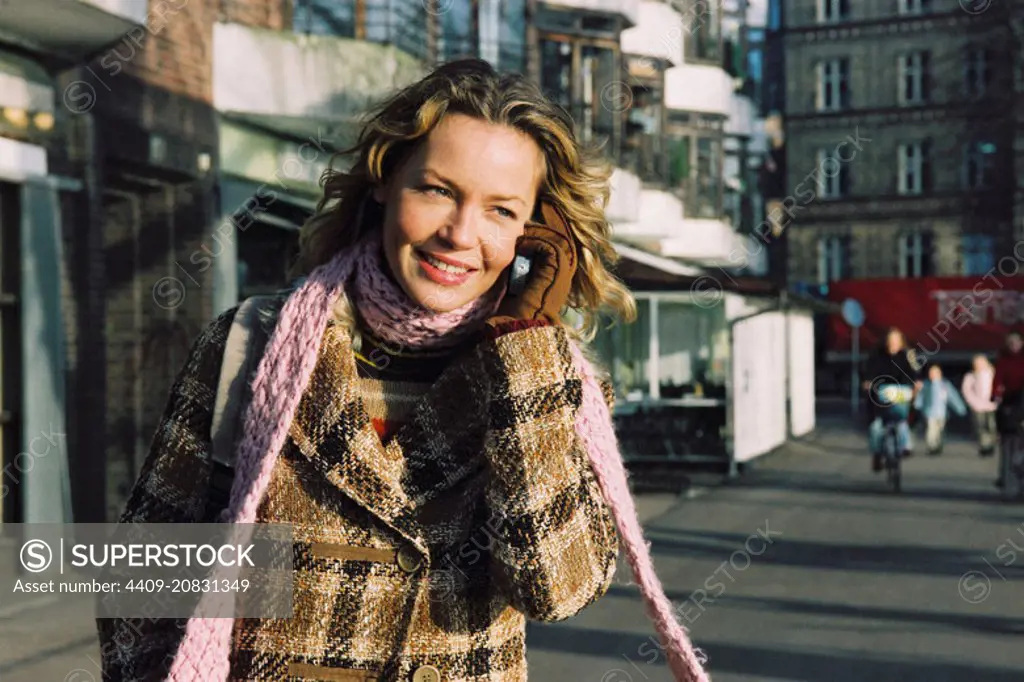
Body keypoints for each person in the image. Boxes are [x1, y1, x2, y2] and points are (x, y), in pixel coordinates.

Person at [95, 60, 710, 682]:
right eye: (438, 190)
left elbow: (558, 589)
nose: (460, 234)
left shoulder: (551, 386)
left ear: (537, 230)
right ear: (387, 180)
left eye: (501, 210)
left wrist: (523, 342)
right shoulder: (253, 345)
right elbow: (141, 585)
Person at [862, 327, 922, 472]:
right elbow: (868, 373)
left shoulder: (908, 355)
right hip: (880, 395)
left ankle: (904, 447)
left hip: (901, 393)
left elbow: (916, 373)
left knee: (901, 422)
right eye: (891, 340)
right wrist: (868, 383)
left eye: (896, 340)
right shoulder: (876, 355)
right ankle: (877, 455)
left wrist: (917, 384)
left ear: (901, 342)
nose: (893, 343)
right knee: (876, 427)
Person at [992, 331, 1024, 490]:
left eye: (1016, 342)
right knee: (1008, 440)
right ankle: (1006, 475)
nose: (1014, 345)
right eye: (1010, 342)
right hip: (1010, 402)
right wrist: (995, 395)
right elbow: (997, 380)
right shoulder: (1003, 361)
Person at [913, 363, 968, 456]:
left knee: (940, 430)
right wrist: (917, 405)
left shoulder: (945, 385)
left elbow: (953, 397)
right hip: (929, 412)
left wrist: (960, 408)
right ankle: (932, 446)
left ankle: (938, 444)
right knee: (931, 430)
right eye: (931, 373)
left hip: (942, 413)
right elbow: (921, 396)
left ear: (939, 373)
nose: (932, 375)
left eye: (935, 373)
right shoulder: (926, 385)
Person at [961, 353, 998, 456]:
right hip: (978, 407)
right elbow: (966, 390)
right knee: (981, 427)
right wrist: (973, 402)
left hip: (992, 406)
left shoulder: (993, 374)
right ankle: (984, 446)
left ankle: (991, 444)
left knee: (992, 426)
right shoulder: (971, 376)